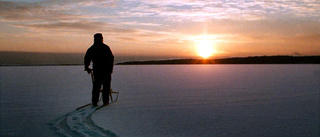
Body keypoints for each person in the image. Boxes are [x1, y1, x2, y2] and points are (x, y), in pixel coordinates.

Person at [84, 33, 114, 106]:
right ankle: (105, 102)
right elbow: (111, 58)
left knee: (97, 86)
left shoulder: (92, 48)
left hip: (99, 70)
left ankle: (95, 102)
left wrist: (87, 67)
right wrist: (110, 69)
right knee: (104, 86)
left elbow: (87, 58)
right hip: (104, 70)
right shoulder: (105, 47)